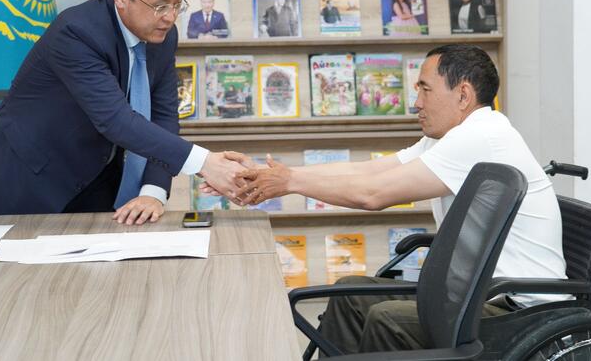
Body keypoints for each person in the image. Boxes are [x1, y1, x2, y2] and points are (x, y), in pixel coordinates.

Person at [231, 44, 567, 354]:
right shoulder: (449, 137)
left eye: (425, 89)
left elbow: (373, 195)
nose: (416, 102)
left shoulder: (482, 136)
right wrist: (285, 174)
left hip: (518, 308)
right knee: (349, 294)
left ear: (463, 95)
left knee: (387, 319)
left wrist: (290, 182)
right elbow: (368, 172)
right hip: (476, 294)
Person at [0, 0, 247, 225]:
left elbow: (163, 116)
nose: (170, 17)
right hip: (26, 174)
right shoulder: (76, 32)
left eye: (177, 5)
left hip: (95, 170)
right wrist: (205, 163)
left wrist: (153, 191)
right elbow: (115, 120)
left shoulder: (163, 35)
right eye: (160, 6)